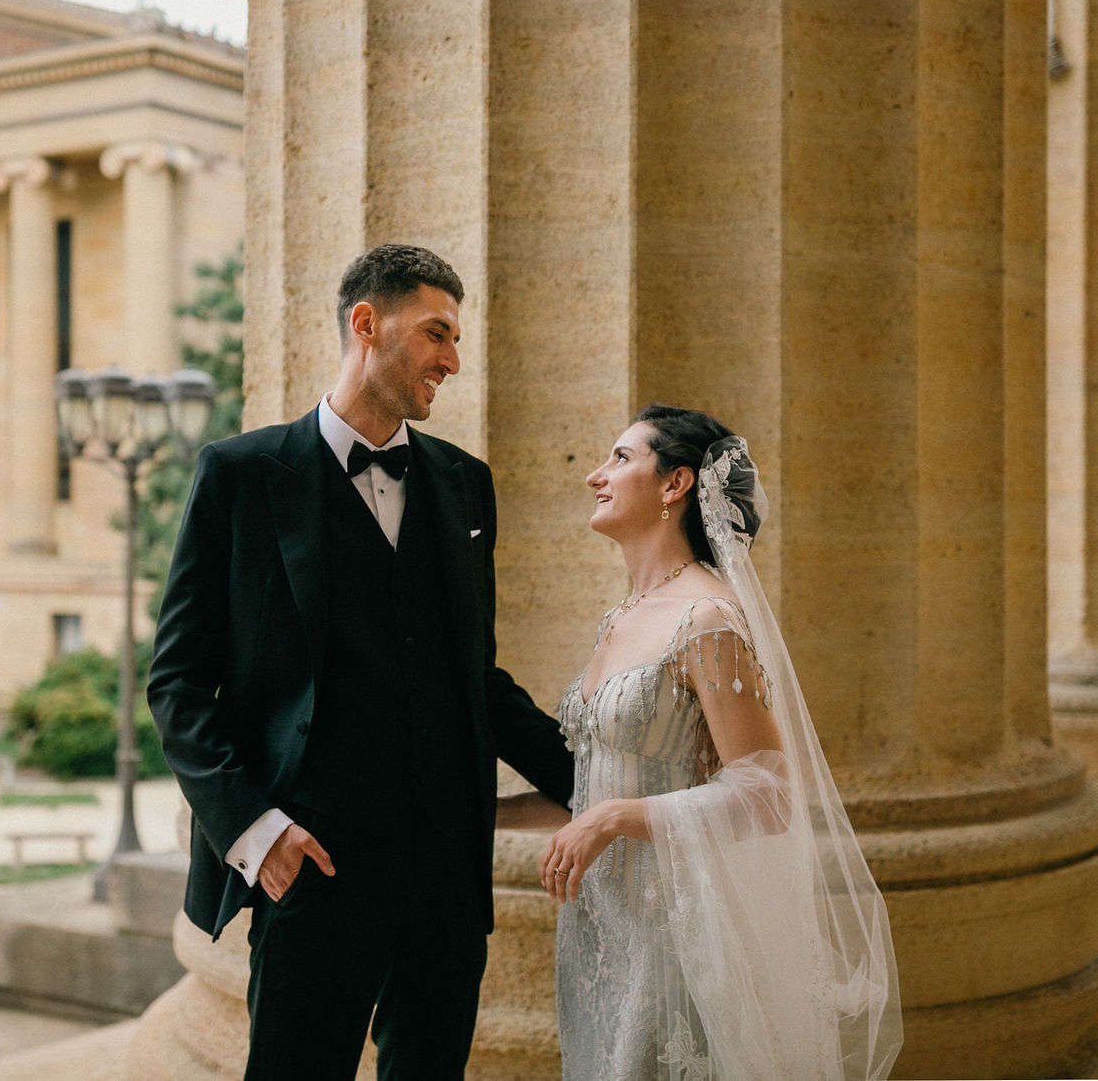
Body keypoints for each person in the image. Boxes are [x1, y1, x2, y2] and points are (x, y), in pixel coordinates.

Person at [148, 243, 576, 1081]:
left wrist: (597, 771)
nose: (453, 360)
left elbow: (473, 676)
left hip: (446, 884)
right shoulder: (239, 476)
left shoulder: (465, 485)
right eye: (437, 333)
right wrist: (254, 829)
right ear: (367, 324)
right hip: (311, 871)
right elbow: (178, 683)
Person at [498, 406, 901, 1080]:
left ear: (674, 483)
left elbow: (769, 791)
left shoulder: (706, 618)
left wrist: (616, 818)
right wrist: (486, 810)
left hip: (674, 936)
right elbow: (600, 782)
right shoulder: (620, 616)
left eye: (621, 458)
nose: (595, 474)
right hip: (602, 934)